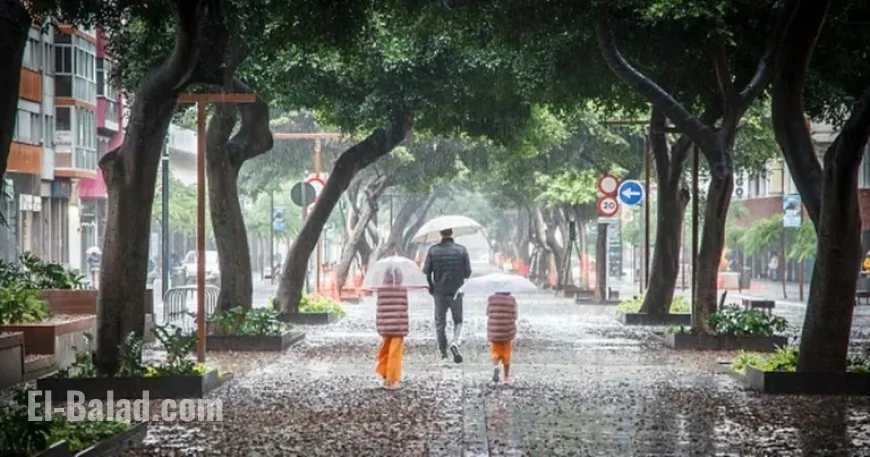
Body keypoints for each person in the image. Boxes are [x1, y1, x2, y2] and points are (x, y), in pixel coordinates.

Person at [423, 228, 472, 365]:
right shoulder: (462, 250)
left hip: (439, 292)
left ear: (440, 234)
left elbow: (427, 272)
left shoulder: (433, 250)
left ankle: (444, 355)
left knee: (440, 323)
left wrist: (431, 286)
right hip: (456, 291)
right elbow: (467, 273)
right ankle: (455, 342)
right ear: (452, 233)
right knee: (458, 321)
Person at [375, 267, 409, 390]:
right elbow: (405, 306)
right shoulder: (402, 289)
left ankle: (384, 374)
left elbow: (379, 307)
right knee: (395, 352)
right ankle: (392, 379)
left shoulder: (381, 289)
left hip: (385, 325)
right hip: (398, 325)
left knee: (385, 349)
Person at [488, 291, 517, 385]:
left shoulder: (491, 298)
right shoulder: (512, 299)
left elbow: (488, 313)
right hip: (507, 331)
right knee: (506, 355)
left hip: (494, 330)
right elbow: (515, 316)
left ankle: (496, 366)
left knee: (495, 352)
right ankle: (506, 377)